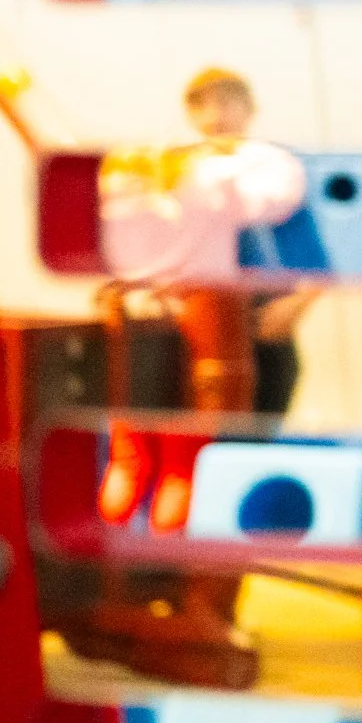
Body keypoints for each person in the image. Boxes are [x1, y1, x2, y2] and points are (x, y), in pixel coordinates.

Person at [97, 67, 308, 531]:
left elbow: (311, 243)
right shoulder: (174, 166)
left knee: (215, 462)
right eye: (203, 104)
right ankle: (153, 562)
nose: (216, 115)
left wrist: (297, 304)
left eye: (227, 101)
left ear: (249, 107)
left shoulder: (269, 164)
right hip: (183, 327)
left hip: (253, 327)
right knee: (160, 458)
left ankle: (206, 561)